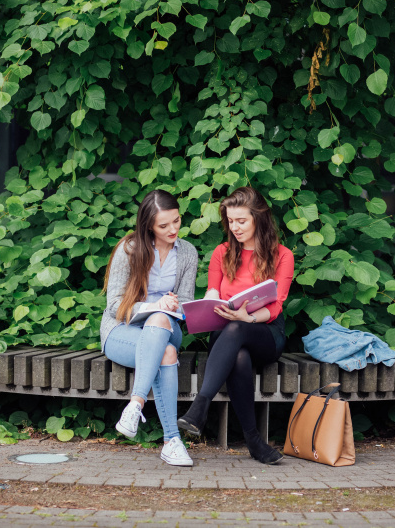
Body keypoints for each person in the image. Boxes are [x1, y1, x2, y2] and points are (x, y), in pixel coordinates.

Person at [177, 187, 294, 464]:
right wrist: (210, 302)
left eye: (241, 221)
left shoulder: (282, 255)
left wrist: (249, 318)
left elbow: (276, 306)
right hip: (228, 332)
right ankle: (253, 441)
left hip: (265, 331)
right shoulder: (223, 252)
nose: (235, 227)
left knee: (238, 328)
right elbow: (213, 290)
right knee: (238, 353)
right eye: (231, 221)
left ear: (259, 219)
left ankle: (199, 408)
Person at [100, 190, 198, 467]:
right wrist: (155, 305)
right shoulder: (129, 249)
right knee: (167, 354)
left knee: (161, 321)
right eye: (163, 225)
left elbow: (187, 303)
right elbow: (114, 307)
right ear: (148, 226)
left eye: (176, 221)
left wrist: (173, 306)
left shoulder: (188, 252)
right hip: (121, 330)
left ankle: (135, 405)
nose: (173, 229)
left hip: (168, 327)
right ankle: (171, 441)